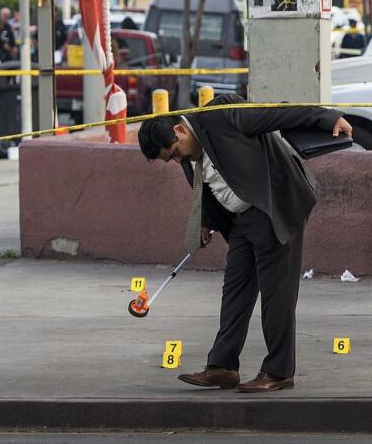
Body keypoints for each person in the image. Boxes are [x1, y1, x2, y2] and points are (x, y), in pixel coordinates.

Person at [137, 95, 352, 393]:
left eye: (174, 153)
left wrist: (329, 118)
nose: (177, 161)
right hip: (240, 219)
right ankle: (223, 367)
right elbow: (210, 183)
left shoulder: (223, 114)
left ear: (179, 131)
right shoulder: (188, 152)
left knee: (277, 292)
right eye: (171, 159)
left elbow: (280, 112)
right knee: (235, 289)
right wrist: (206, 222)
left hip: (272, 207)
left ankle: (279, 372)